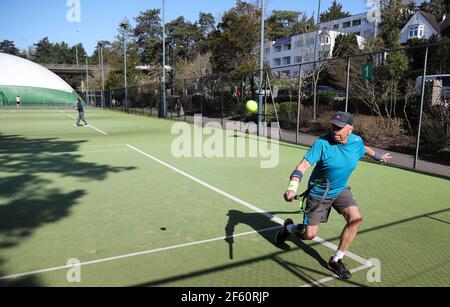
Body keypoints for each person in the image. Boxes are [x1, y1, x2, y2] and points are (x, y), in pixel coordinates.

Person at [275, 111, 392, 280]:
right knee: (309, 235)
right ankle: (288, 228)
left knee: (356, 219)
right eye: (333, 126)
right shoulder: (322, 144)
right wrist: (292, 188)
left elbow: (365, 149)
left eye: (339, 128)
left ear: (350, 129)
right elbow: (302, 166)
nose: (335, 130)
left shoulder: (356, 141)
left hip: (340, 190)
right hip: (318, 194)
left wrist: (379, 156)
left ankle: (335, 260)